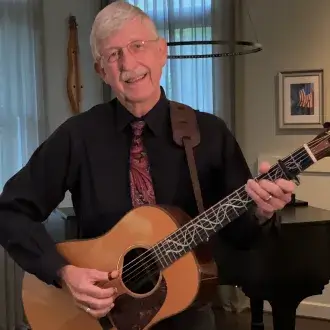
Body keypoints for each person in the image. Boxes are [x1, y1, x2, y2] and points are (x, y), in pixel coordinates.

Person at [0, 2, 295, 329]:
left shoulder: (209, 133)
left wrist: (262, 212)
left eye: (138, 46)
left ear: (162, 52)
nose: (129, 64)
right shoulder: (77, 136)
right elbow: (10, 210)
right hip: (100, 315)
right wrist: (62, 271)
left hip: (186, 314)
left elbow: (241, 236)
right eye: (113, 55)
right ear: (101, 71)